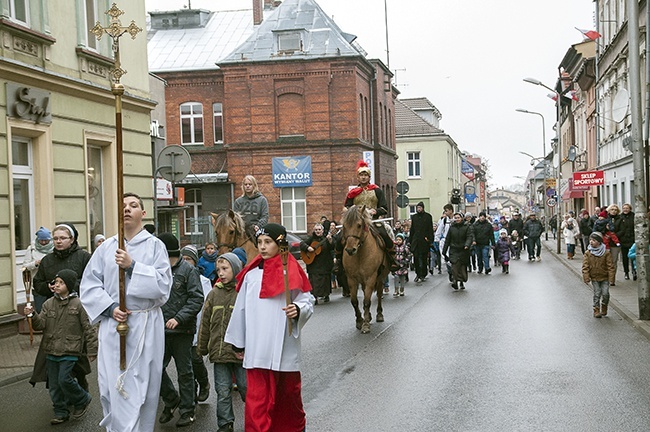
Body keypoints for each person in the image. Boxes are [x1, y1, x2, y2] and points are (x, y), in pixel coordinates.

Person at [80, 192, 173, 432]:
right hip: (114, 328)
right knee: (114, 384)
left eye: (133, 205)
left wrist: (133, 267)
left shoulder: (155, 246)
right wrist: (110, 309)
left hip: (145, 324)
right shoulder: (106, 248)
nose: (127, 209)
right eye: (122, 205)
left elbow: (163, 286)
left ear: (143, 213)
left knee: (145, 386)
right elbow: (89, 285)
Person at [224, 223, 314, 432]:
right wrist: (238, 343)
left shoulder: (291, 270)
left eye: (268, 242)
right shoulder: (251, 274)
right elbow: (241, 309)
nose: (262, 247)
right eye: (260, 243)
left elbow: (307, 299)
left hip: (284, 348)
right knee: (258, 402)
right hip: (257, 350)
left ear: (279, 244)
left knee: (288, 398)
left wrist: (298, 309)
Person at [24, 269, 97, 425]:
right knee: (55, 385)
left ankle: (82, 399)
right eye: (55, 282)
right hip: (51, 349)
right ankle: (60, 412)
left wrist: (92, 350)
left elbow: (89, 329)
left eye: (61, 282)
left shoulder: (79, 305)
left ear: (69, 285)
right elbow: (40, 325)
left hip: (70, 350)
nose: (56, 285)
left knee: (64, 379)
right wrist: (32, 315)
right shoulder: (48, 304)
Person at [157, 233, 204, 427]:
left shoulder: (188, 270)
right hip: (159, 330)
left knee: (185, 372)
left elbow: (196, 299)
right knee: (154, 370)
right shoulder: (157, 270)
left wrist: (179, 318)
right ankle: (171, 399)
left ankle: (187, 410)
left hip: (182, 331)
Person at [198, 252, 248, 432]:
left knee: (246, 388)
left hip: (239, 354)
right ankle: (225, 423)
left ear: (235, 269)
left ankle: (253, 420)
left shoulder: (243, 292)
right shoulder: (213, 294)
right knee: (222, 390)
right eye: (218, 269)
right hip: (219, 353)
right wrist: (202, 347)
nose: (220, 273)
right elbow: (205, 322)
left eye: (225, 269)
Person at [342, 160, 395, 267]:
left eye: (366, 175)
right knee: (340, 238)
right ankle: (339, 262)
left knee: (384, 234)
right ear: (358, 177)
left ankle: (391, 259)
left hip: (373, 221)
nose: (363, 177)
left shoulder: (377, 191)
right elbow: (346, 206)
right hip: (356, 221)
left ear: (369, 177)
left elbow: (384, 208)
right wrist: (351, 211)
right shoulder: (353, 192)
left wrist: (375, 211)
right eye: (361, 175)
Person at [33, 223, 91, 312]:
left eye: (63, 238)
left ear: (72, 239)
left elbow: (91, 281)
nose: (58, 241)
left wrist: (67, 287)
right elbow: (38, 283)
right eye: (55, 238)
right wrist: (48, 287)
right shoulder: (47, 260)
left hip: (79, 308)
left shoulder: (84, 257)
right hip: (54, 309)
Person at [180, 244, 213, 404]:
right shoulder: (177, 277)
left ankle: (204, 382)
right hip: (182, 324)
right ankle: (190, 393)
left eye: (189, 259)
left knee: (195, 358)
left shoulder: (203, 281)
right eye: (183, 258)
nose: (186, 262)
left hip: (198, 324)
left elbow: (205, 304)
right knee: (185, 362)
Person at [582, 232, 615, 318]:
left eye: (594, 240)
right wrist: (586, 277)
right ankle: (596, 309)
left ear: (599, 242)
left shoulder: (606, 253)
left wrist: (611, 278)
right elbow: (585, 266)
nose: (591, 242)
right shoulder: (588, 253)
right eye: (590, 240)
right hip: (595, 277)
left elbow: (610, 266)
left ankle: (604, 306)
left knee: (605, 294)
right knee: (597, 293)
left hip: (604, 277)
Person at [300, 223, 334, 304]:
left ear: (322, 231)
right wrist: (308, 247)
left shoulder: (325, 238)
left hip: (325, 263)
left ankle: (326, 295)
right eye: (316, 230)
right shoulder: (311, 238)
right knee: (315, 281)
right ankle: (315, 297)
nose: (318, 231)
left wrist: (330, 240)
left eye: (319, 230)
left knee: (325, 279)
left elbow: (332, 247)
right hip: (314, 264)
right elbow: (302, 244)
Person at [22, 227, 54, 310]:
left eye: (46, 240)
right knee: (41, 310)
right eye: (41, 240)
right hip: (38, 285)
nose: (43, 242)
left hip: (52, 283)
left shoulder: (54, 248)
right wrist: (35, 263)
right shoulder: (32, 249)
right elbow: (25, 267)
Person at [442, 212, 473, 289]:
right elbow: (448, 239)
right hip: (454, 249)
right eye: (455, 218)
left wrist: (467, 245)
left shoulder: (466, 226)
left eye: (458, 217)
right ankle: (455, 281)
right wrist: (444, 251)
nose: (457, 219)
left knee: (462, 267)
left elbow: (469, 237)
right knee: (454, 266)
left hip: (463, 250)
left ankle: (461, 281)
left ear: (462, 218)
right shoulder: (452, 227)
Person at [409, 201, 434, 283]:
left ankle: (423, 273)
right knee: (416, 257)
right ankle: (418, 274)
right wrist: (410, 240)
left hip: (424, 240)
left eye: (420, 207)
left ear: (423, 208)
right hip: (416, 240)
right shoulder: (414, 217)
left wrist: (430, 240)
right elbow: (412, 229)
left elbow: (430, 229)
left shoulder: (428, 217)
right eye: (417, 208)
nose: (418, 209)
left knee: (423, 258)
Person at [616, 203, 636, 280]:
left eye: (627, 208)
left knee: (633, 256)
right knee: (625, 257)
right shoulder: (620, 217)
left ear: (630, 209)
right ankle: (626, 272)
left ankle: (634, 271)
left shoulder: (633, 216)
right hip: (623, 240)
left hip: (632, 239)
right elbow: (617, 228)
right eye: (624, 208)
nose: (625, 210)